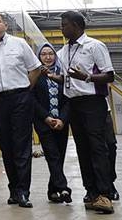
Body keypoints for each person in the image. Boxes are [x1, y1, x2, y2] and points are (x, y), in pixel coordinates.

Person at [0, 12, 42, 208]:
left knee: (21, 146)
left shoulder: (19, 44)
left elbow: (36, 68)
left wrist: (25, 90)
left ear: (5, 25)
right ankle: (14, 190)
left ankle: (23, 191)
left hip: (21, 97)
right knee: (6, 146)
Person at [56, 11, 116, 214]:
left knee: (98, 147)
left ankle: (105, 194)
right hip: (73, 103)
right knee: (82, 149)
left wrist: (88, 77)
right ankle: (91, 192)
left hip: (93, 103)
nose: (61, 28)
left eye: (64, 24)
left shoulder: (94, 46)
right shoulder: (63, 51)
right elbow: (67, 79)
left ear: (76, 25)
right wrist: (54, 77)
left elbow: (109, 76)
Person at [32, 42, 71, 204]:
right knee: (52, 154)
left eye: (50, 54)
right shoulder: (35, 74)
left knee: (59, 156)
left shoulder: (63, 74)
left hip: (62, 122)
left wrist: (62, 119)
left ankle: (52, 190)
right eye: (43, 54)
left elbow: (69, 97)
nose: (47, 57)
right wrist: (47, 118)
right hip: (43, 122)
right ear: (38, 57)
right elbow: (32, 100)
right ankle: (63, 188)